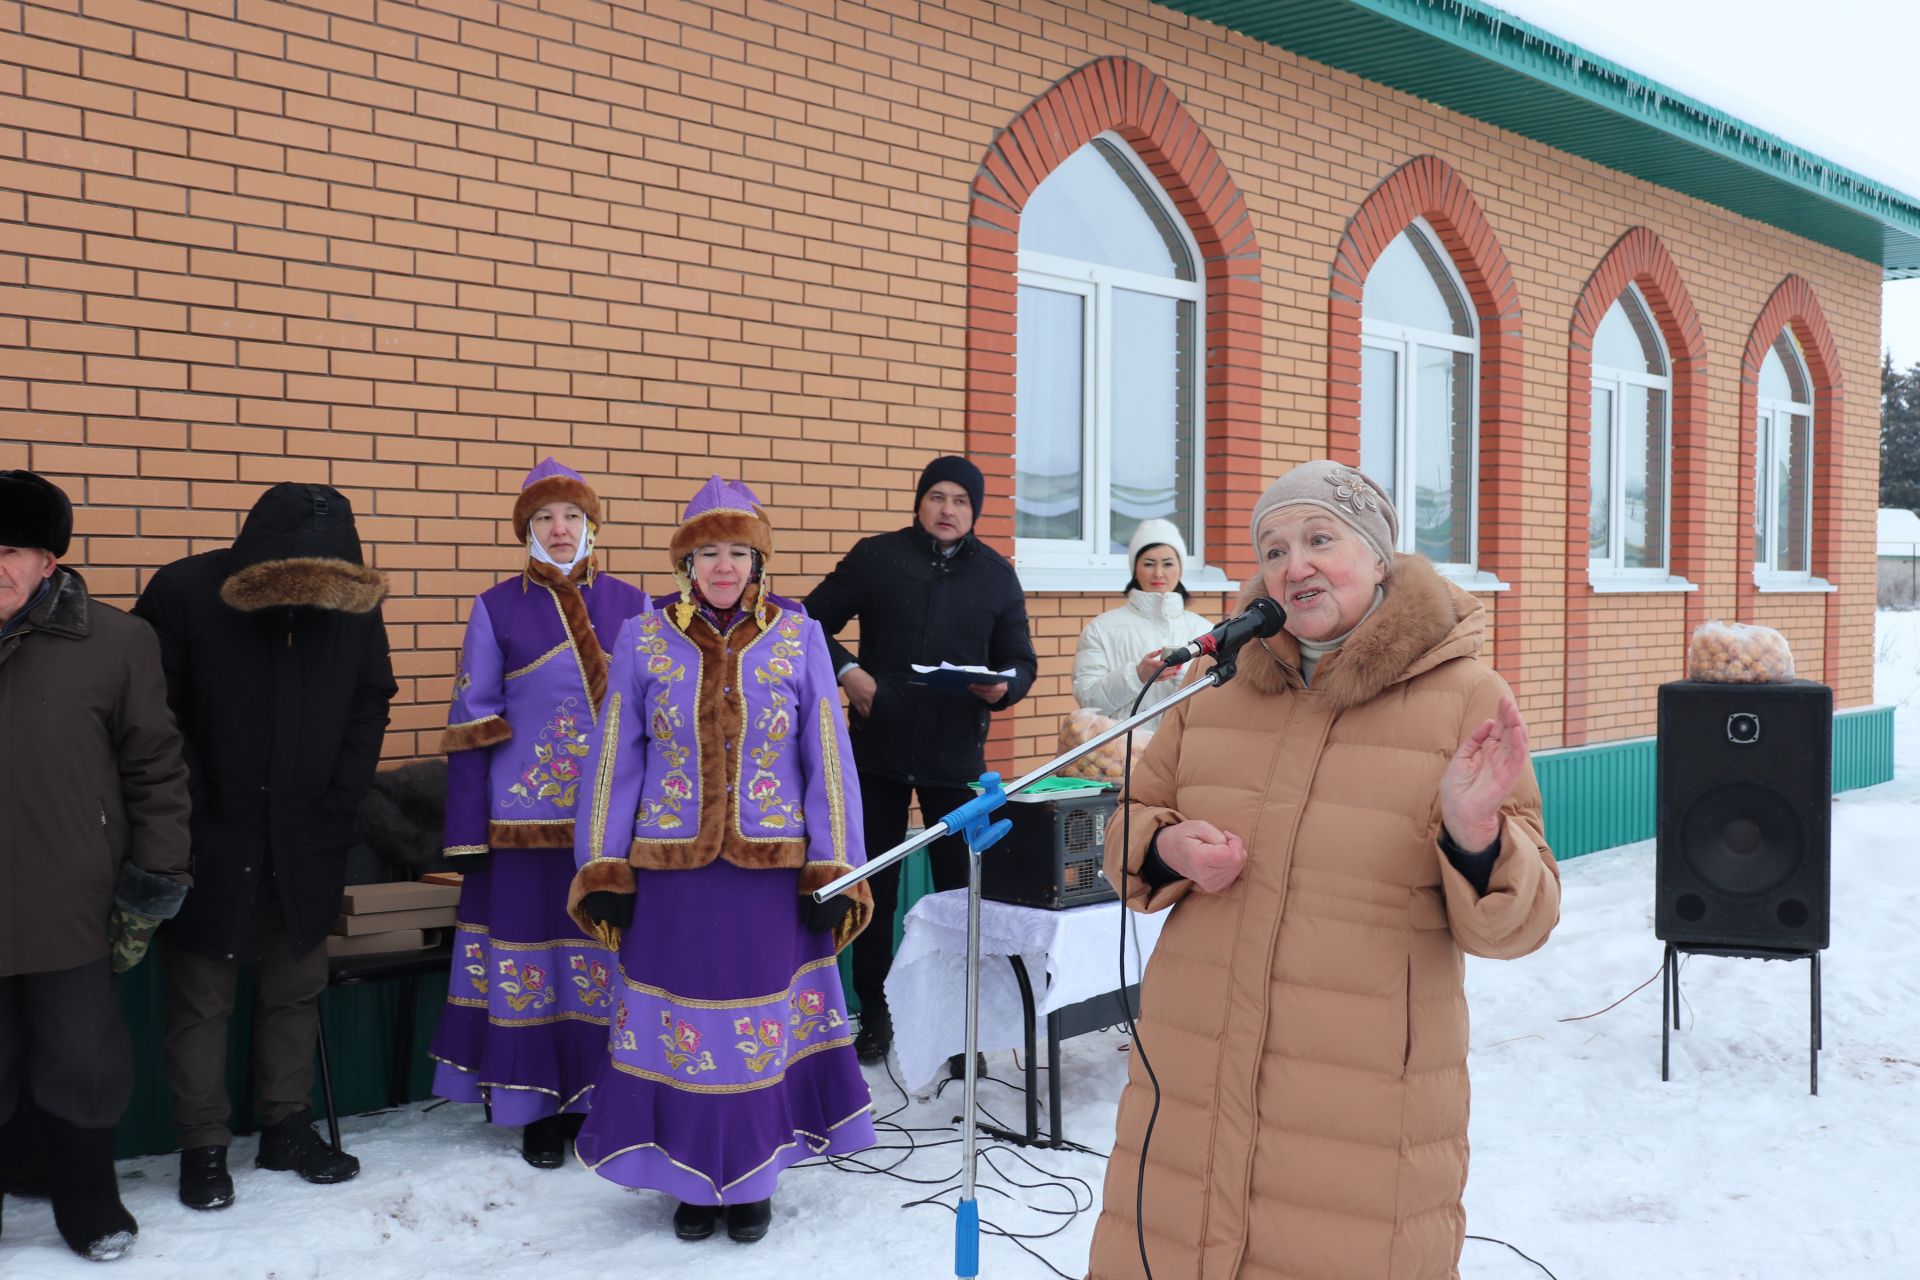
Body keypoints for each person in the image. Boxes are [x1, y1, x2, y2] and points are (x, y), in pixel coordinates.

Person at [1086, 459, 1561, 1280]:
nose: (1292, 564)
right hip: (1192, 1077)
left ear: (1378, 557)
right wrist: (1165, 846)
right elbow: (1126, 827)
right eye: (1272, 549)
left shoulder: (1466, 697)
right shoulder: (1212, 691)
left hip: (1360, 1098)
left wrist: (1474, 833)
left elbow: (1521, 922)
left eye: (1318, 538)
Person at [568, 476, 877, 1246]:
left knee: (756, 1029)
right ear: (686, 563)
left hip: (770, 879)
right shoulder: (642, 639)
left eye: (739, 552)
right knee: (680, 1028)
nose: (724, 567)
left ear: (759, 561)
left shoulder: (800, 634)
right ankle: (686, 1177)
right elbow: (614, 760)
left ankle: (753, 1176)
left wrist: (833, 867)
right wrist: (604, 865)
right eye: (708, 553)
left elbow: (827, 760)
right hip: (671, 875)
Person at [134, 482, 397, 1212]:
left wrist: (343, 796)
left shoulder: (352, 603)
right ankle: (202, 1146)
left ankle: (285, 1127)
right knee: (202, 1000)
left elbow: (372, 695)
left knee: (294, 990)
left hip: (308, 835)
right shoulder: (185, 592)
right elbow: (149, 711)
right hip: (207, 836)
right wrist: (188, 803)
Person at [427, 459, 645, 1168]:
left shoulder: (634, 603)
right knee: (533, 965)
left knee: (602, 958)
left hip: (610, 826)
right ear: (527, 528)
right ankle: (533, 1105)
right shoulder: (496, 606)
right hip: (523, 828)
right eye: (545, 518)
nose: (559, 529)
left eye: (572, 517)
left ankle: (602, 1095)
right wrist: (467, 830)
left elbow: (654, 718)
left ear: (592, 526)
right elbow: (471, 723)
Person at [0, 472, 192, 1261]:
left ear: (49, 560)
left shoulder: (115, 643)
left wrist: (153, 879)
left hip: (69, 901)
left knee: (82, 1054)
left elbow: (156, 769)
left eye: (11, 548)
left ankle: (87, 1196)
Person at [803, 456, 1037, 1064]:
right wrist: (848, 672)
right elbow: (804, 623)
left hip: (954, 762)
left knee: (959, 896)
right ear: (919, 502)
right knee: (873, 888)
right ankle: (874, 1011)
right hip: (876, 752)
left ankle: (960, 1027)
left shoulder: (995, 577)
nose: (948, 509)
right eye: (937, 496)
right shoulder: (877, 558)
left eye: (961, 500)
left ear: (974, 511)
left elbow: (1021, 660)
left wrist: (1003, 687)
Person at [1071, 517, 1214, 720]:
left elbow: (1221, 703)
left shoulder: (1205, 630)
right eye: (1148, 564)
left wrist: (1188, 680)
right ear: (1135, 570)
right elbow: (1088, 699)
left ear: (1180, 569)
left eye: (1168, 564)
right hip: (1122, 749)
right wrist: (1136, 676)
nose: (1158, 573)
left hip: (1185, 749)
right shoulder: (1101, 629)